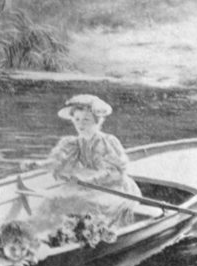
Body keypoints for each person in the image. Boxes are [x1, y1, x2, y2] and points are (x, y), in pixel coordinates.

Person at [22, 94, 142, 233]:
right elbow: (58, 161)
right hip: (86, 185)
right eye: (77, 119)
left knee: (84, 205)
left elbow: (113, 172)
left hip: (113, 187)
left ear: (97, 122)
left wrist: (87, 179)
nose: (80, 124)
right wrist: (37, 165)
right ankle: (45, 232)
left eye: (86, 119)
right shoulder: (73, 142)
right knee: (55, 200)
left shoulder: (106, 142)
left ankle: (79, 234)